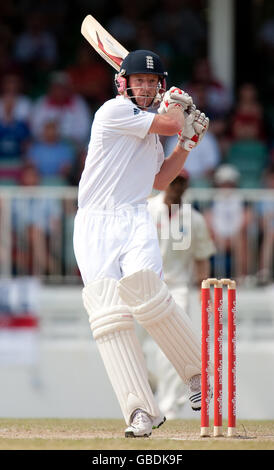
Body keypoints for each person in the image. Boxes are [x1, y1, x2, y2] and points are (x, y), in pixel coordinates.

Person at [73, 49, 209, 438]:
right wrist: (180, 116)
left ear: (158, 85)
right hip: (94, 221)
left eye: (152, 82)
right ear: (124, 83)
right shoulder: (113, 112)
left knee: (147, 293)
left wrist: (187, 143)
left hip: (134, 216)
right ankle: (140, 411)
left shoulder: (150, 132)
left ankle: (199, 376)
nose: (146, 88)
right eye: (140, 82)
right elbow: (167, 123)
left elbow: (161, 180)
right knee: (108, 317)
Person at [146, 170, 216, 418]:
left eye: (182, 182)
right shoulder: (145, 210)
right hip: (146, 284)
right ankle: (148, 383)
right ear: (165, 182)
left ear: (187, 185)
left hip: (177, 287)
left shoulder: (193, 219)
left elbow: (201, 258)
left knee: (173, 348)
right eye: (173, 181)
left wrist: (204, 290)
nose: (177, 186)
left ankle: (169, 406)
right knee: (132, 343)